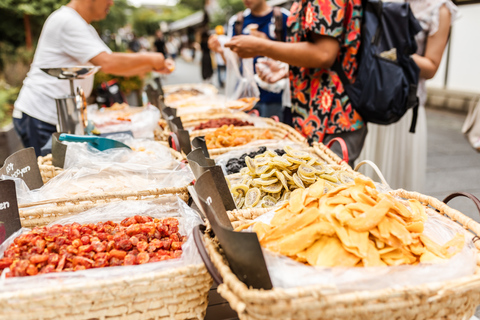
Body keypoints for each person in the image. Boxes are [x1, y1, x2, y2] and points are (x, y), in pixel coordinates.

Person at [13, 0, 174, 157]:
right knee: (53, 176)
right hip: (41, 116)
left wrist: (154, 66)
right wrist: (152, 59)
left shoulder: (83, 25)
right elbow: (107, 63)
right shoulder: (67, 20)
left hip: (56, 117)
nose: (111, 3)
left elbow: (117, 66)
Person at [225, 0, 366, 166]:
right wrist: (286, 69)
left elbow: (324, 54)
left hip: (335, 118)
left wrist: (261, 46)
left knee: (328, 188)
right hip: (314, 117)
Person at [358, 0, 457, 193]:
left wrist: (393, 53)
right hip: (370, 99)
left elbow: (431, 67)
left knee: (396, 186)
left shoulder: (440, 9)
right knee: (363, 180)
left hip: (403, 107)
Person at [208, 0, 289, 120]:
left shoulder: (283, 17)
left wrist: (265, 44)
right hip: (244, 94)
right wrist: (222, 51)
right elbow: (234, 62)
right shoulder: (237, 21)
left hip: (275, 95)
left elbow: (294, 53)